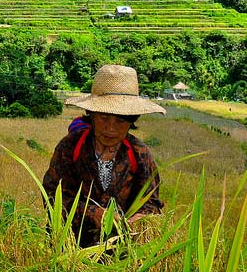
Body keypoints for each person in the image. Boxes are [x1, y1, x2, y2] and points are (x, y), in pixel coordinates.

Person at [43, 64, 165, 247]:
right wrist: (94, 214)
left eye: (120, 120)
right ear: (91, 115)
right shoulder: (70, 147)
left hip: (120, 254)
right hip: (68, 250)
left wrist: (141, 218)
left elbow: (152, 202)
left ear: (132, 120)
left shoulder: (139, 154)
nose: (110, 128)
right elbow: (52, 197)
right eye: (103, 118)